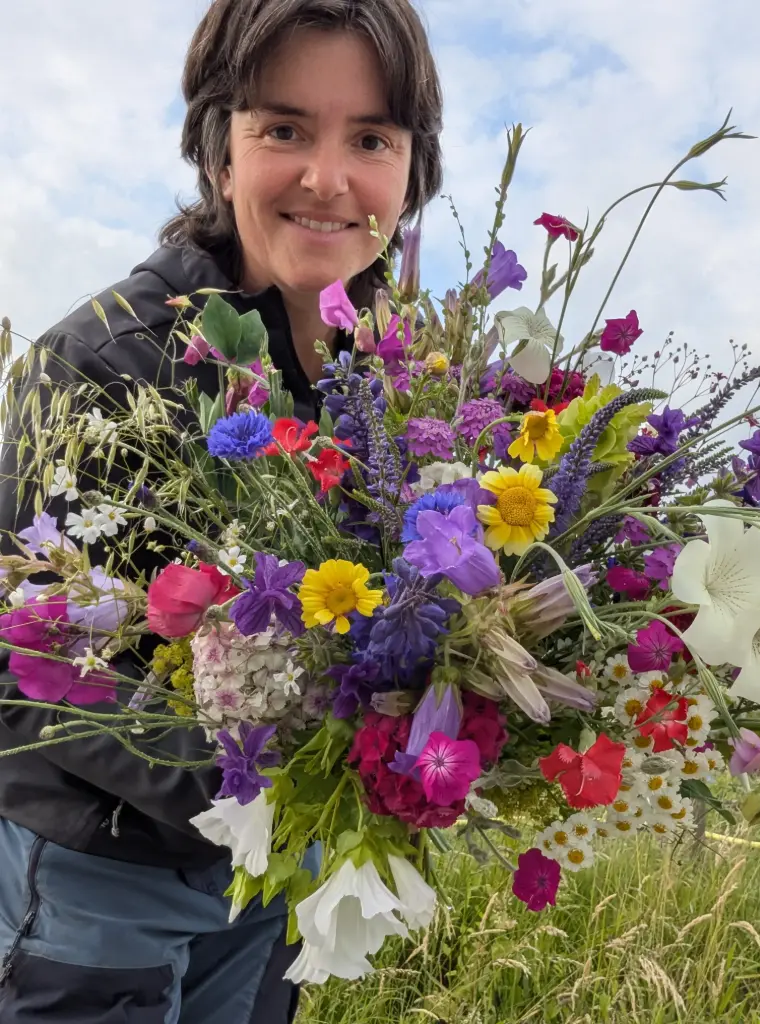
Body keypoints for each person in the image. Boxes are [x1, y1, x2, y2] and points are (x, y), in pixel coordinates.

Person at [0, 0, 443, 1020]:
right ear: (219, 153)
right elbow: (23, 664)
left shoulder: (407, 386)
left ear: (411, 172)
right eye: (283, 129)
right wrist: (257, 786)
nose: (328, 179)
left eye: (370, 138)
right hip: (101, 881)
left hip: (271, 878)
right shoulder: (98, 363)